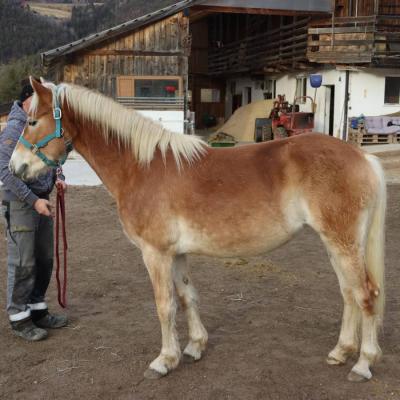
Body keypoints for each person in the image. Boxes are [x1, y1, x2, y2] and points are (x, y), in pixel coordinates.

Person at [0, 82, 68, 341]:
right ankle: (19, 317)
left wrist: (58, 177)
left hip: (42, 200)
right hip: (21, 203)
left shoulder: (38, 123)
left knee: (44, 259)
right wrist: (33, 200)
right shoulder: (15, 128)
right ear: (29, 99)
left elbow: (52, 156)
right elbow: (5, 170)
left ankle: (38, 309)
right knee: (23, 261)